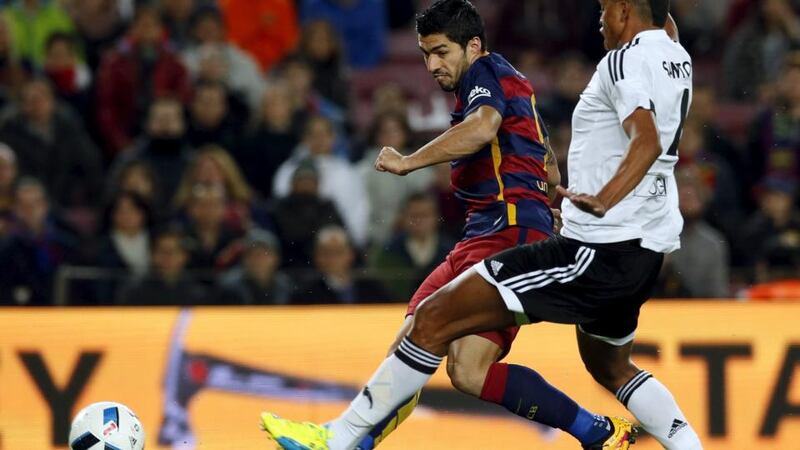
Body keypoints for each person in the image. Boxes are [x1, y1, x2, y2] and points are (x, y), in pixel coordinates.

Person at [260, 1, 704, 450]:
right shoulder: (674, 55)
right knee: (557, 366)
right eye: (425, 55)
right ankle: (624, 436)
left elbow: (485, 127)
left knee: (432, 329)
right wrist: (550, 201)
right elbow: (547, 164)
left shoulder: (494, 71)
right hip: (631, 243)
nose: (432, 65)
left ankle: (340, 438)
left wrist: (409, 160)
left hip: (548, 237)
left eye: (441, 52)